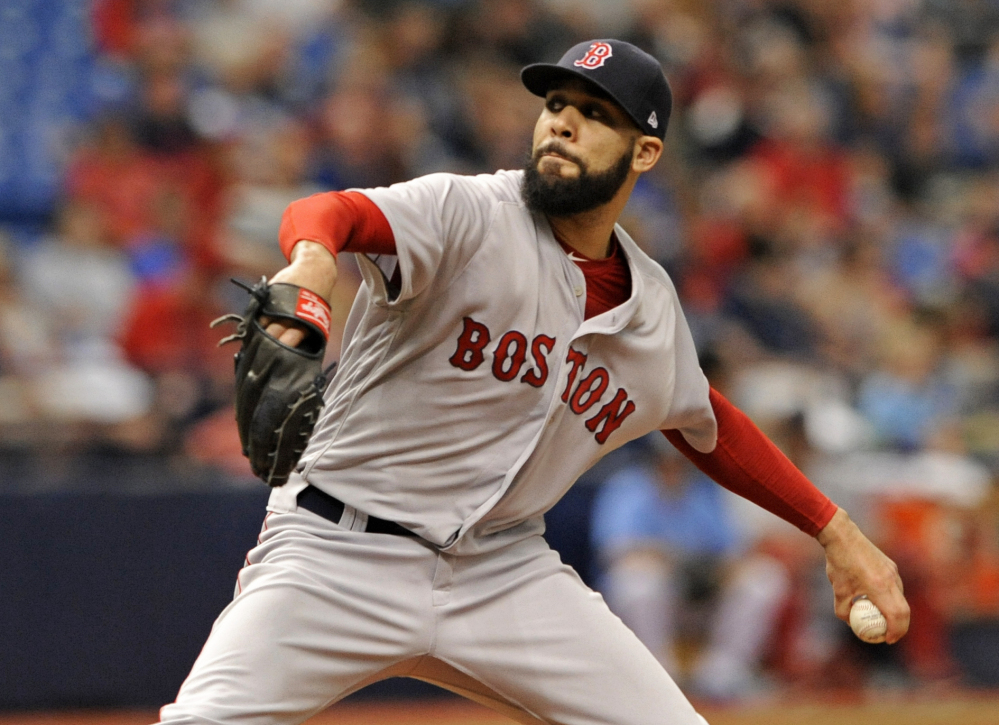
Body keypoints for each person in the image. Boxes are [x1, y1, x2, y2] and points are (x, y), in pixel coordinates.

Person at [158, 40, 909, 725]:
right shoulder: (470, 211)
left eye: (592, 115)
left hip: (501, 573)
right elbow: (329, 211)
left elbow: (705, 422)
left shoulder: (649, 307)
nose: (561, 125)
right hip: (336, 551)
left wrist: (836, 532)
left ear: (644, 152)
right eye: (554, 106)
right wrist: (315, 263)